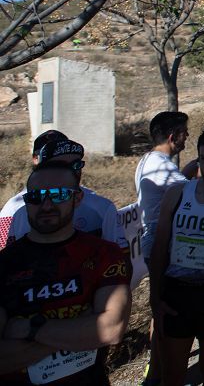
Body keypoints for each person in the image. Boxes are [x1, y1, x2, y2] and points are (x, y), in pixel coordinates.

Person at [0, 162, 131, 385]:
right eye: (36, 196)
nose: (46, 205)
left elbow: (111, 329)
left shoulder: (103, 254)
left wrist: (29, 329)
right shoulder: (4, 264)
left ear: (77, 198)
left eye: (59, 195)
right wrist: (80, 331)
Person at [149, 124, 204, 386]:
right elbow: (160, 246)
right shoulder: (178, 193)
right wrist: (155, 296)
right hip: (176, 292)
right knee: (172, 377)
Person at [0, 136, 127, 252]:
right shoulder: (15, 209)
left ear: (78, 199)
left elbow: (121, 256)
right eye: (62, 165)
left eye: (77, 165)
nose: (73, 170)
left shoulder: (102, 207)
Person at [136, 111, 194, 263]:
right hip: (161, 240)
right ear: (173, 136)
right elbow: (193, 193)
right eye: (184, 131)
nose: (187, 135)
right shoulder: (162, 166)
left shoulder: (149, 159)